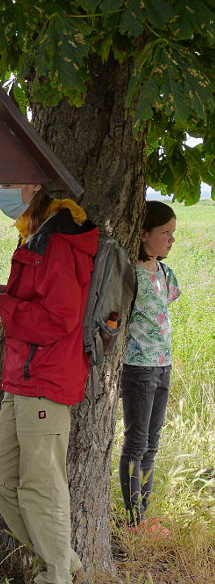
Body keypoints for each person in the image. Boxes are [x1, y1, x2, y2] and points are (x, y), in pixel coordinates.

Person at [0, 184, 98, 584]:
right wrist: (5, 296)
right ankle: (66, 564)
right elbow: (40, 302)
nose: (3, 191)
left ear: (32, 187)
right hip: (24, 379)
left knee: (41, 487)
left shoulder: (58, 242)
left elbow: (59, 319)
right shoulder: (38, 234)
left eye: (11, 181)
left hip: (44, 380)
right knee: (1, 476)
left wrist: (2, 307)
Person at [119, 200, 180, 533]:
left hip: (162, 365)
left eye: (173, 233)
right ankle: (134, 520)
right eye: (165, 233)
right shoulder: (131, 274)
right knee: (137, 442)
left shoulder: (165, 273)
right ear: (143, 234)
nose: (171, 239)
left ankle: (143, 511)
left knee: (151, 444)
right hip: (137, 368)